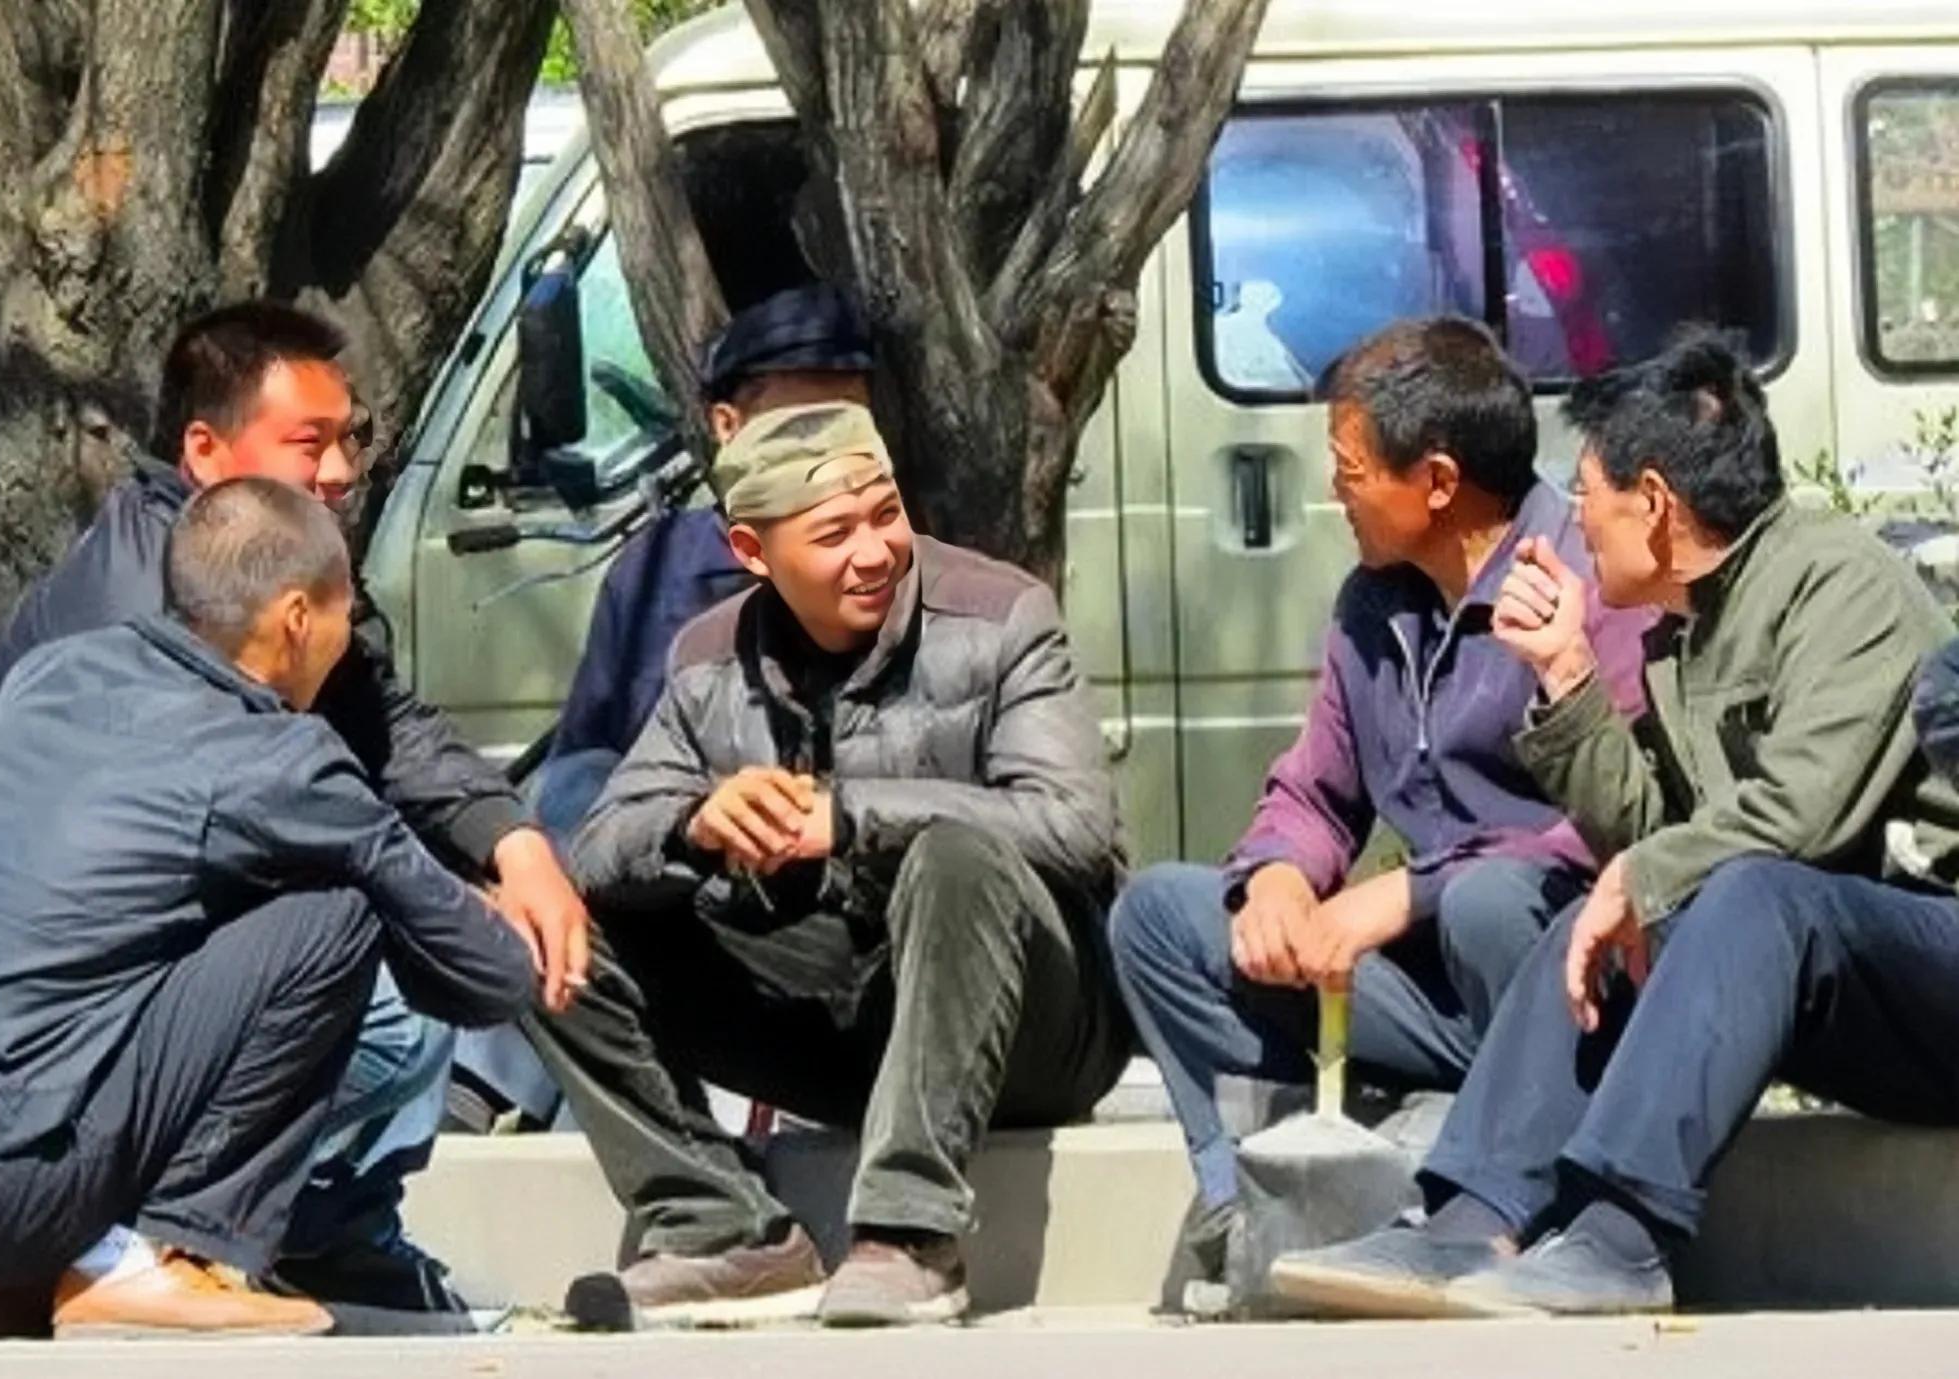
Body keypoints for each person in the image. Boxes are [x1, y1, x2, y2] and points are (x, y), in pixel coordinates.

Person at [0, 302, 590, 1324]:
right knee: (366, 968)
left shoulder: (225, 576)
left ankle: (74, 1268)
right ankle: (174, 1249)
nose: (340, 471)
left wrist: (516, 836)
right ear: (205, 449)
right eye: (308, 444)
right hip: (30, 1059)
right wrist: (461, 904)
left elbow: (382, 715)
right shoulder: (160, 622)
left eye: (348, 438)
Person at [1271, 332, 1959, 1319]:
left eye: (1586, 492)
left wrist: (1636, 878)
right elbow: (1649, 836)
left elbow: (1797, 819)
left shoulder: (1836, 583)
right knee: (1608, 913)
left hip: (1928, 957)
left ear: (1652, 499)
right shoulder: (1684, 631)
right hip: (1840, 977)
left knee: (1730, 889)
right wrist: (1566, 680)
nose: (1574, 518)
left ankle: (1620, 1236)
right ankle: (1469, 1218)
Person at [529, 401, 1132, 1330]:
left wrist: (847, 818)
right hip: (839, 1013)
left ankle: (911, 1232)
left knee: (955, 856)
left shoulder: (1002, 614)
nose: (874, 551)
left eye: (885, 514)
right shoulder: (705, 659)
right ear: (751, 550)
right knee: (548, 925)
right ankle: (720, 1226)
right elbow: (601, 846)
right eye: (833, 533)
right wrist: (696, 822)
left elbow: (1077, 828)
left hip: (1036, 1026)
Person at [1106, 317, 1649, 1284]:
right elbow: (1315, 788)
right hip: (1420, 994)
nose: (1331, 491)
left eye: (1350, 468)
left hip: (1552, 981)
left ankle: (1514, 1194)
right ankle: (1256, 1204)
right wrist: (1274, 875)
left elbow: (1605, 828)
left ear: (1436, 482)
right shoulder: (1373, 601)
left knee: (1492, 902)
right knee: (1158, 915)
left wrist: (1408, 894)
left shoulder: (1589, 583)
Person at [458, 282, 874, 1131]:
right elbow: (590, 752)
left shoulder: (892, 557)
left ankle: (558, 1101)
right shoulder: (666, 561)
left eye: (851, 423)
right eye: (802, 426)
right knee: (571, 796)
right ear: (730, 430)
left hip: (815, 861)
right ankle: (497, 1084)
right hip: (666, 843)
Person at [530, 281, 874, 838]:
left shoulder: (901, 567)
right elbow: (582, 768)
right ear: (728, 428)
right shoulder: (656, 570)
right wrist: (688, 817)